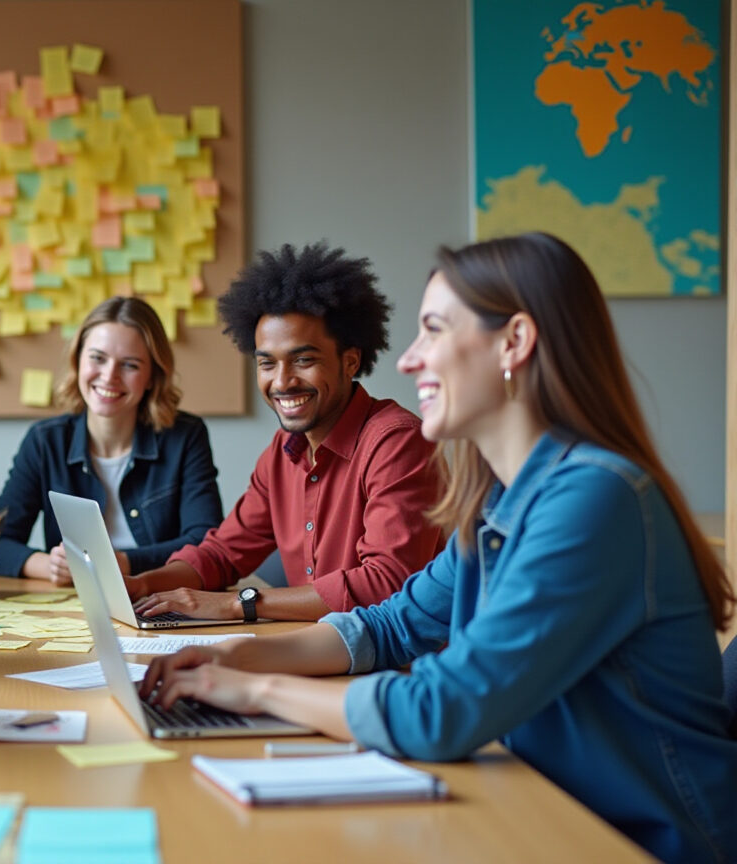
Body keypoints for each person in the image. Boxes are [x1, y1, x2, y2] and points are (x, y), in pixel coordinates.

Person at [142, 233, 737, 863]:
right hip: (537, 812)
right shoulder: (498, 500)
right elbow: (391, 625)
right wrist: (235, 654)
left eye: (433, 330)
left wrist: (255, 690)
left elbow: (443, 710)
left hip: (634, 842)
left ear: (514, 342)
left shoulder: (594, 500)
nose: (407, 360)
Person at [129, 241, 444, 622]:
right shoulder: (283, 451)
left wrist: (237, 603)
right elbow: (222, 553)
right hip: (316, 647)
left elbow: (386, 583)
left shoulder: (398, 442)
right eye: (267, 364)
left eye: (303, 360)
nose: (282, 382)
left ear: (350, 361)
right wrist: (141, 585)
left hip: (397, 656)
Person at [0, 296, 223, 584]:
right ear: (78, 360)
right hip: (72, 600)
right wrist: (50, 566)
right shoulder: (45, 441)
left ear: (152, 376)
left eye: (130, 365)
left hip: (157, 594)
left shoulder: (185, 436)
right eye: (97, 358)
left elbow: (205, 541)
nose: (109, 376)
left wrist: (124, 563)